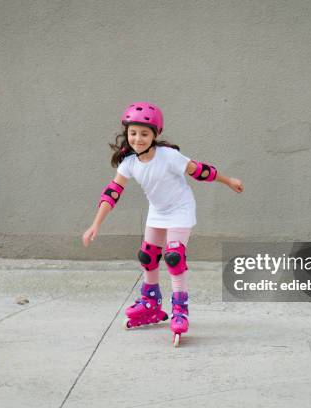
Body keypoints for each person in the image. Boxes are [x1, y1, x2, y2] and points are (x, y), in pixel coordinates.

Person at [82, 102, 243, 346]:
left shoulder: (168, 156)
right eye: (133, 133)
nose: (138, 138)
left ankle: (180, 309)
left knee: (174, 258)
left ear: (155, 135)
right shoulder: (129, 163)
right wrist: (95, 225)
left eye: (144, 133)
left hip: (180, 209)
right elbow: (112, 193)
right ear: (126, 133)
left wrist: (228, 180)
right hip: (158, 211)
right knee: (148, 257)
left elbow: (200, 171)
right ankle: (151, 304)